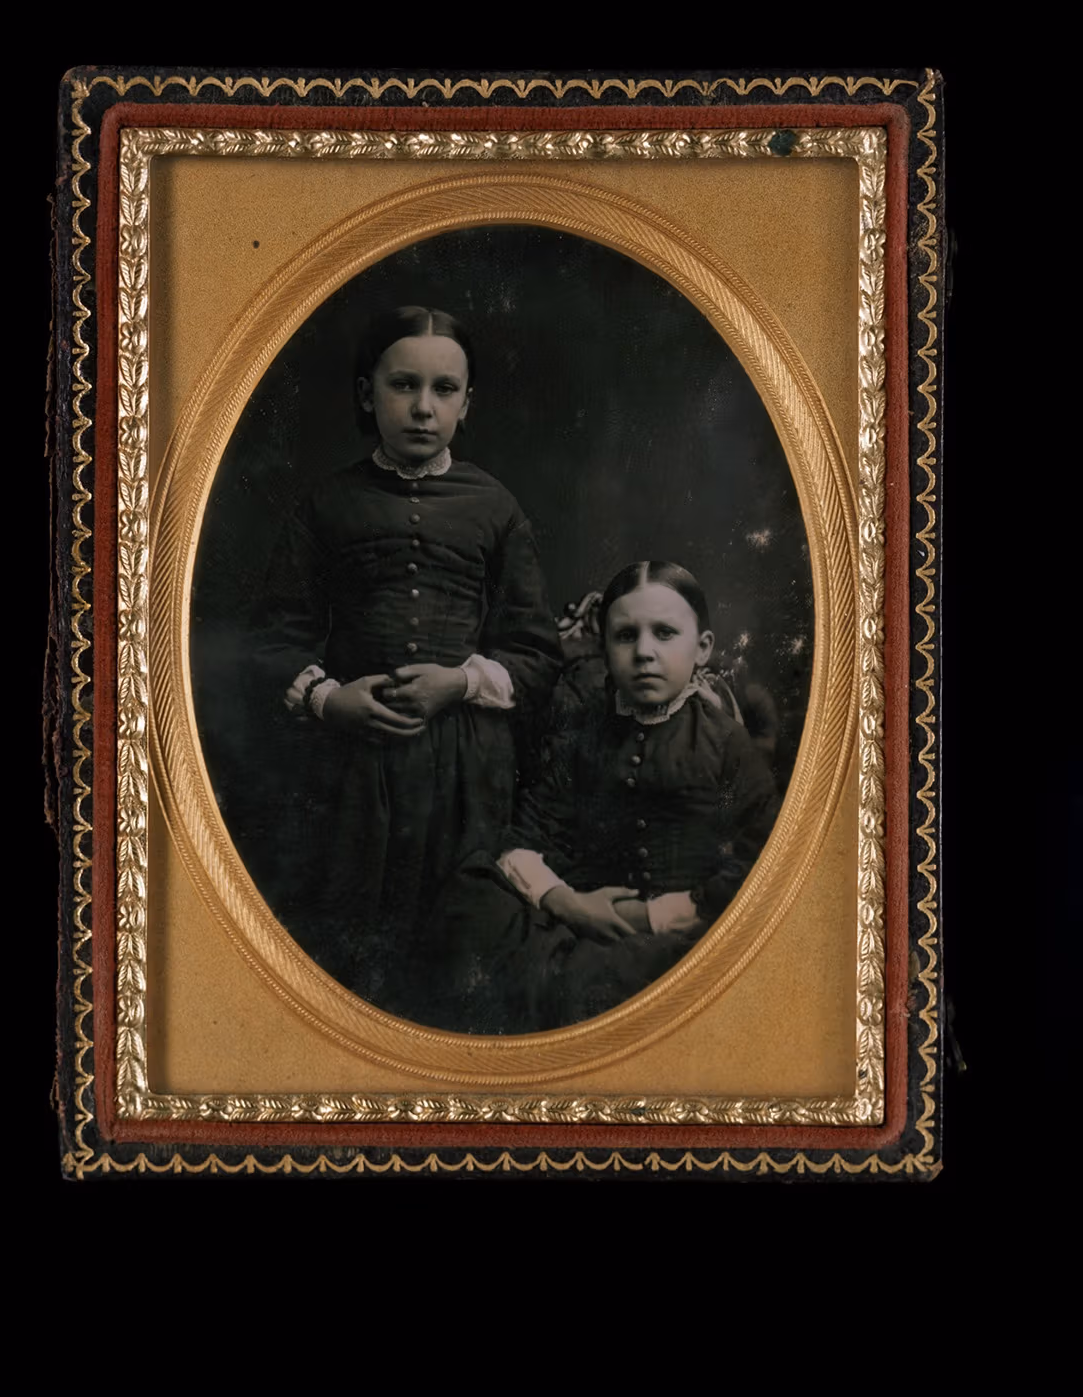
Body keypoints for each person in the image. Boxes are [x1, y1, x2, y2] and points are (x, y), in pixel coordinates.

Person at [249, 306, 562, 1013]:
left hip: (467, 771)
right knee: (353, 953)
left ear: (466, 402)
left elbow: (537, 654)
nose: (423, 407)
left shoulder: (495, 508)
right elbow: (271, 642)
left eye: (443, 389)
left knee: (457, 953)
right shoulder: (327, 504)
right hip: (352, 770)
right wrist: (331, 699)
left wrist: (459, 683)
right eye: (402, 385)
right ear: (367, 394)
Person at [417, 560, 781, 1033]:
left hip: (679, 926)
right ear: (605, 648)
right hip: (580, 911)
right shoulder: (583, 731)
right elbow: (527, 833)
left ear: (703, 648)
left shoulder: (726, 742)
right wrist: (567, 902)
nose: (644, 652)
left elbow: (761, 853)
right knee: (467, 902)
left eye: (665, 634)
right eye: (626, 636)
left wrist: (655, 915)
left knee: (663, 971)